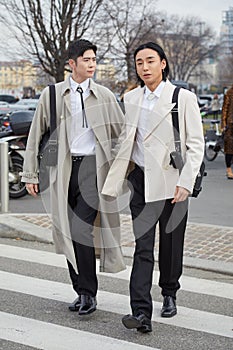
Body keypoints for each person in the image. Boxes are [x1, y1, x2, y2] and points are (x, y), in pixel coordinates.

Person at [102, 42, 204, 333]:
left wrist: (186, 183)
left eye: (149, 61)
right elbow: (128, 138)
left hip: (173, 184)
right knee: (143, 248)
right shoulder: (131, 97)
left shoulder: (182, 97)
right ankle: (141, 313)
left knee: (171, 246)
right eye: (139, 62)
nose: (144, 67)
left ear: (162, 63)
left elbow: (195, 145)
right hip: (141, 183)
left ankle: (169, 293)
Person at [21, 39, 126, 316]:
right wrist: (30, 174)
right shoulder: (53, 95)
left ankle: (88, 293)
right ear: (72, 63)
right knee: (69, 232)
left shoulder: (104, 95)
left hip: (93, 170)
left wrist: (121, 167)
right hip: (62, 171)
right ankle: (79, 290)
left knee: (81, 229)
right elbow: (35, 135)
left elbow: (122, 132)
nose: (92, 64)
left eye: (94, 59)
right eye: (87, 60)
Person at [221, 85, 233, 179]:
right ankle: (228, 169)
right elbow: (224, 109)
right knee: (229, 147)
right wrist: (223, 124)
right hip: (230, 124)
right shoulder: (229, 93)